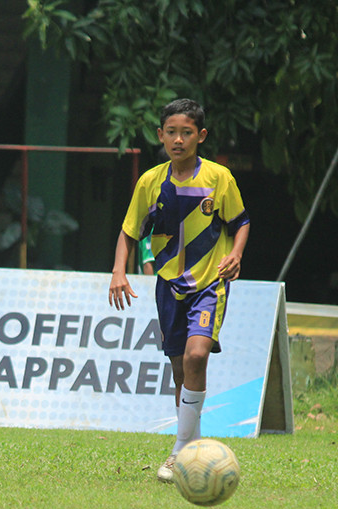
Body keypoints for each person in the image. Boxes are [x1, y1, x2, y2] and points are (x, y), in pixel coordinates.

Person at [109, 98, 250, 483]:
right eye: (171, 132)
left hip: (209, 284)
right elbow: (128, 231)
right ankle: (191, 445)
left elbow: (241, 222)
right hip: (169, 287)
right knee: (179, 368)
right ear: (160, 135)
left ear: (200, 136)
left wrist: (235, 254)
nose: (178, 139)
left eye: (186, 132)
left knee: (197, 355)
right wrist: (118, 271)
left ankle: (177, 453)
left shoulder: (219, 178)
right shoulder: (151, 182)